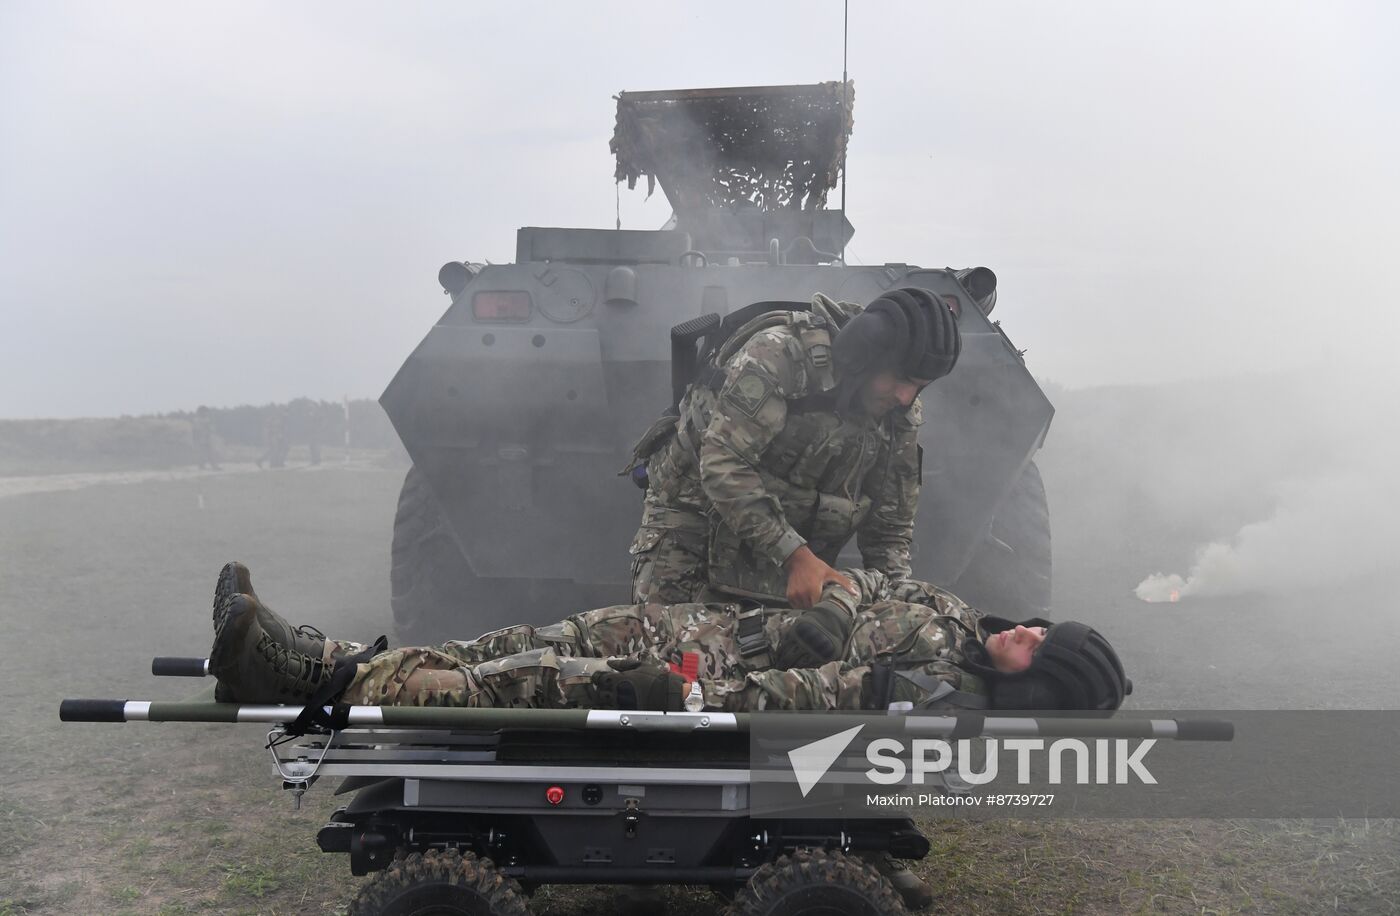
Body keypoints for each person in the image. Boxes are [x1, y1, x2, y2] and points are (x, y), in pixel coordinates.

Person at [208, 562, 1129, 715]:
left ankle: (304, 683)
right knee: (518, 640)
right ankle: (332, 660)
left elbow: (807, 701)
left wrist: (686, 696)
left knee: (519, 681)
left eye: (1043, 651)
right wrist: (841, 609)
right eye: (1043, 629)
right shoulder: (966, 621)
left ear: (1037, 685)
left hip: (687, 676)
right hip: (699, 628)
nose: (1030, 634)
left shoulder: (941, 688)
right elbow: (874, 581)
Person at [628, 289, 961, 663]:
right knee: (671, 670)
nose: (906, 396)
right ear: (862, 357)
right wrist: (796, 558)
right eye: (899, 378)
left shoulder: (900, 413)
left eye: (919, 385)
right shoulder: (778, 356)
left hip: (792, 557)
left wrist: (892, 610)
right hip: (693, 530)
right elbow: (724, 466)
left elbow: (890, 526)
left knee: (774, 684)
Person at [191, 406, 221, 470]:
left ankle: (213, 466)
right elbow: (195, 431)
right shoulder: (197, 420)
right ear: (201, 412)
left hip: (207, 439)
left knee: (210, 453)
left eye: (206, 412)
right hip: (201, 439)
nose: (206, 413)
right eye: (205, 412)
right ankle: (203, 466)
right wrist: (196, 440)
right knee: (202, 454)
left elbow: (211, 429)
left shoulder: (206, 419)